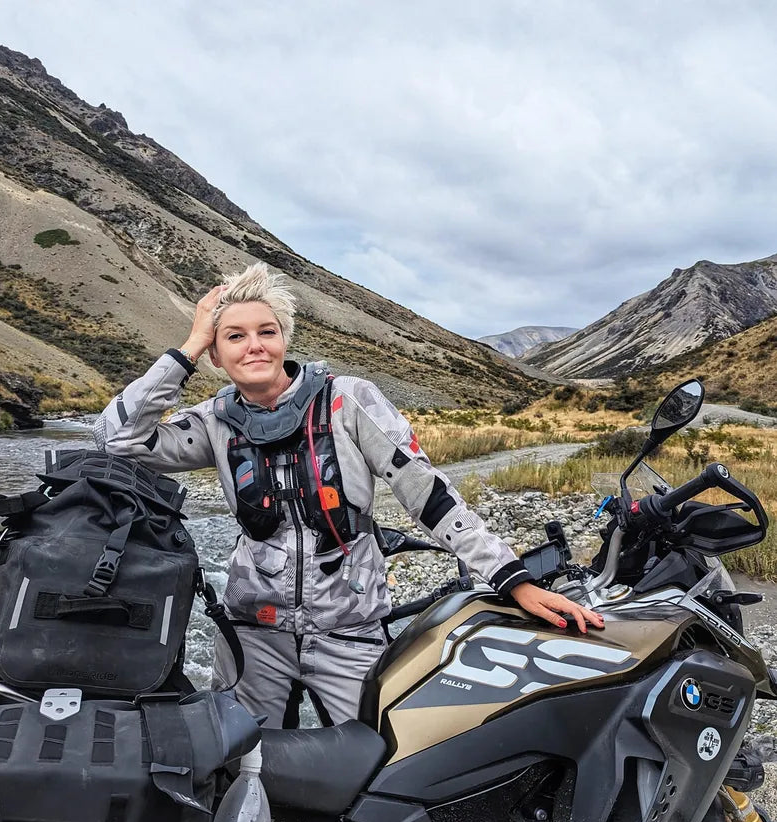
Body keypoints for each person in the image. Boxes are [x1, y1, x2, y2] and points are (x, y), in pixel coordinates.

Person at [94, 262, 603, 728]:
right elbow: (116, 439)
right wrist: (188, 346)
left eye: (267, 332)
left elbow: (429, 495)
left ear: (284, 339)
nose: (255, 346)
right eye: (234, 336)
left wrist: (513, 580)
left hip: (350, 631)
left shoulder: (349, 400)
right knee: (240, 763)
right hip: (252, 634)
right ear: (216, 353)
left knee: (375, 763)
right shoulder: (213, 421)